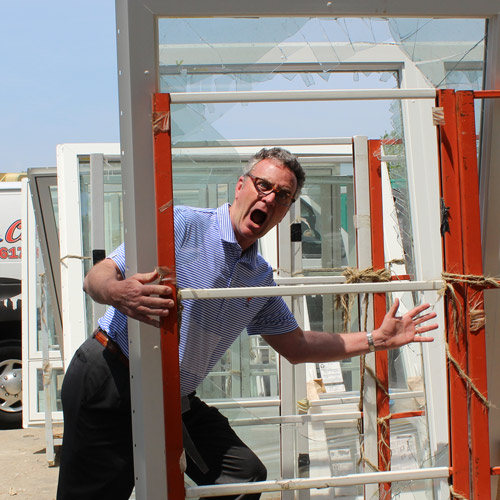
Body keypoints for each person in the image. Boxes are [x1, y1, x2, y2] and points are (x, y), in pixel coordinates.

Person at [57, 147, 437, 500]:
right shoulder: (183, 225)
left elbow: (298, 346)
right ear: (241, 186)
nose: (270, 198)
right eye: (263, 185)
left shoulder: (258, 277)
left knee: (243, 478)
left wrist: (377, 338)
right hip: (111, 374)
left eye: (283, 195)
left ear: (286, 210)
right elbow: (98, 276)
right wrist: (119, 292)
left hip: (173, 399)